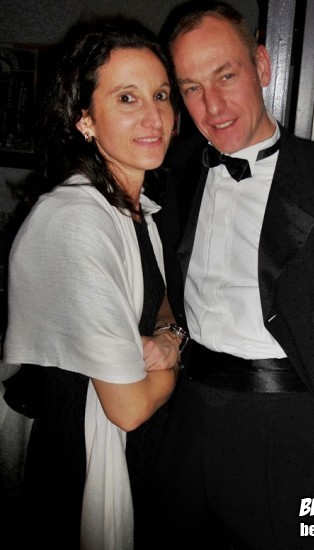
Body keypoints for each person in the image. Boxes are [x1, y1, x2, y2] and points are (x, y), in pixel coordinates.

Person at [146, 2, 314, 549]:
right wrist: (169, 334)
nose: (212, 106)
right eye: (192, 88)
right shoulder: (175, 174)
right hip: (188, 428)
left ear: (262, 66)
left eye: (226, 76)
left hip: (300, 439)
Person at [1, 15, 188, 550]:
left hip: (133, 451)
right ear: (84, 118)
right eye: (127, 98)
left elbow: (159, 300)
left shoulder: (135, 209)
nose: (153, 116)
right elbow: (128, 408)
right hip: (84, 459)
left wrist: (169, 336)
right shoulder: (77, 218)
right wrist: (179, 358)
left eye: (160, 95)